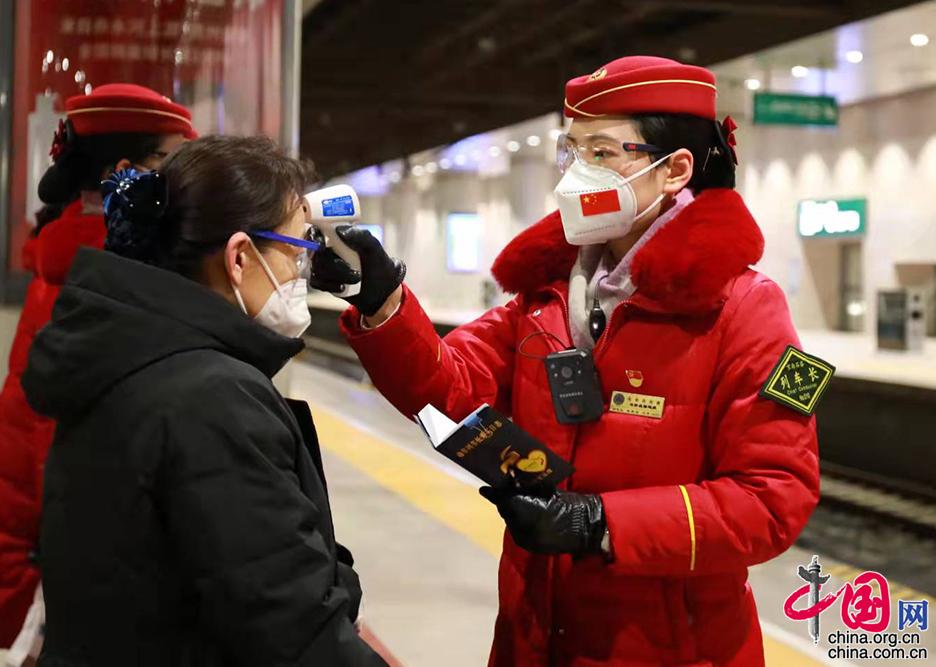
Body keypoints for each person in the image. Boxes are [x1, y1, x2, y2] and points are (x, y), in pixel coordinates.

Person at [312, 56, 821, 667]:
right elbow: (450, 387)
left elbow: (774, 498)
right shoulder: (547, 295)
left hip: (671, 650)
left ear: (674, 170)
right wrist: (383, 304)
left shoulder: (747, 309)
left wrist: (600, 524)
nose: (579, 172)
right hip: (536, 635)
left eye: (602, 152)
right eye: (573, 150)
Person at [20, 135, 386, 667]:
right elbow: (294, 629)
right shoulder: (216, 400)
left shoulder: (127, 354)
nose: (301, 272)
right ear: (239, 258)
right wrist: (338, 586)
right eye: (297, 249)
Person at [0, 83, 194, 650]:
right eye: (172, 162)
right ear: (127, 172)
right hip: (92, 547)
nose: (184, 181)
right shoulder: (106, 277)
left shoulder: (68, 256)